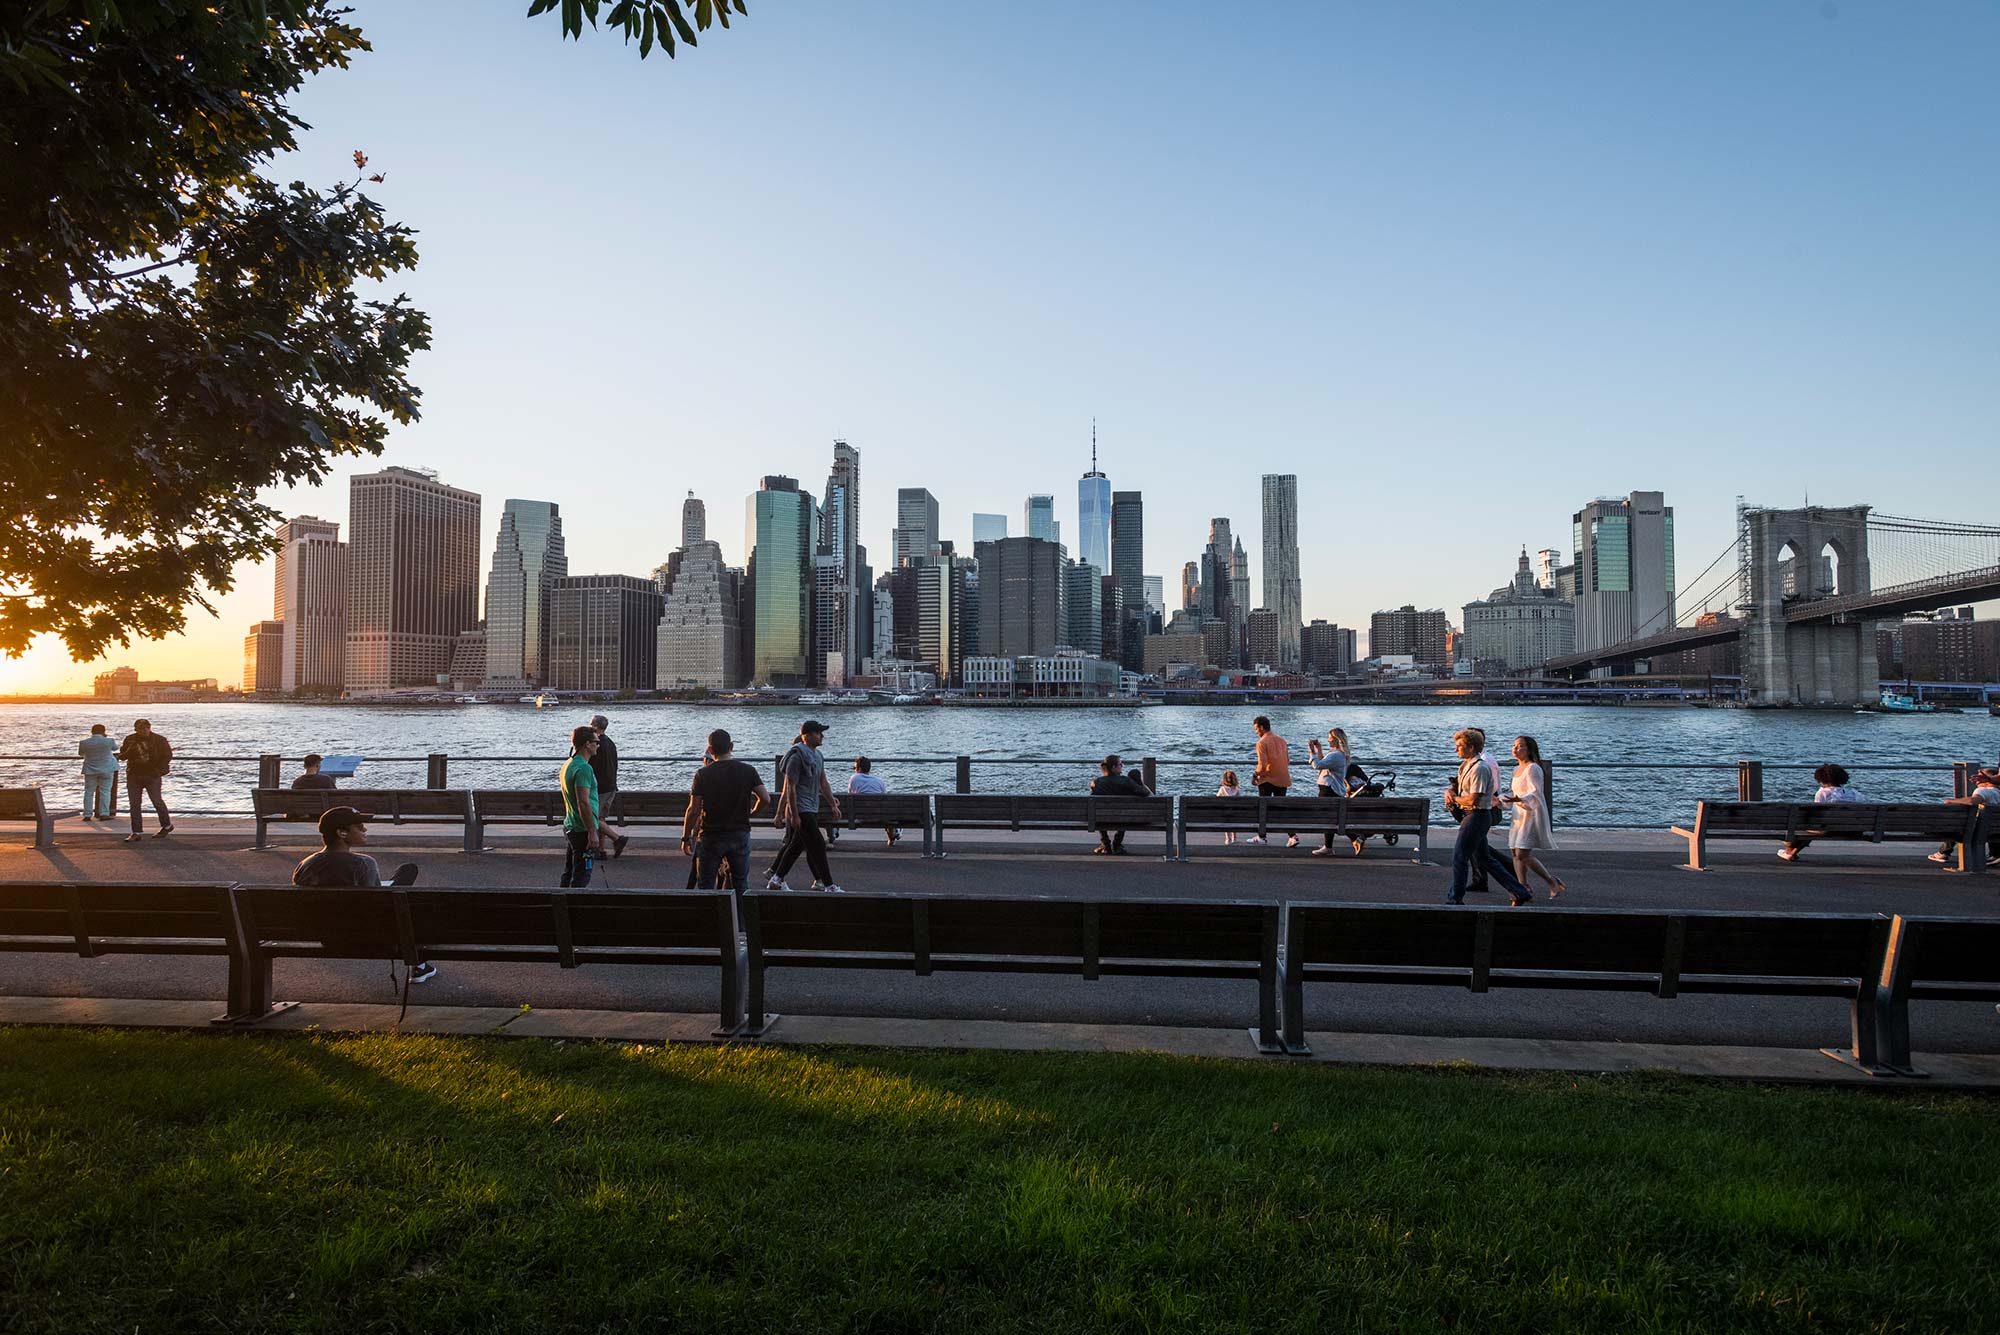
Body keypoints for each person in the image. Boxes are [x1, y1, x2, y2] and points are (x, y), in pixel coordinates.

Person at [292, 806, 432, 982]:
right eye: (359, 827)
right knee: (407, 892)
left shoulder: (305, 865)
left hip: (325, 934)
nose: (365, 829)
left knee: (406, 871)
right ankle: (420, 965)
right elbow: (377, 907)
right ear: (342, 833)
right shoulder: (363, 864)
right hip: (365, 935)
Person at [1444, 728, 1531, 907]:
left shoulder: (1480, 768)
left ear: (1471, 747)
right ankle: (1519, 891)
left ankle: (1455, 899)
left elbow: (1473, 799)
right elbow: (1461, 790)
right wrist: (1450, 791)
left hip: (1477, 816)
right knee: (1485, 859)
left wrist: (1455, 798)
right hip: (1473, 815)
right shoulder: (1466, 765)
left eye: (1459, 746)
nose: (1456, 749)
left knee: (1459, 856)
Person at [680, 729, 769, 897]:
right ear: (731, 747)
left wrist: (686, 838)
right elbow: (765, 798)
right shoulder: (747, 770)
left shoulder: (702, 774)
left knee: (706, 884)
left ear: (710, 750)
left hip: (711, 835)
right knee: (741, 883)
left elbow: (693, 809)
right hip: (739, 833)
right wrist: (753, 812)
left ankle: (710, 914)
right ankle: (739, 914)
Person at [766, 720, 843, 893]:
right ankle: (829, 885)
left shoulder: (818, 756)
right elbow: (790, 788)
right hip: (801, 808)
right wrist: (794, 815)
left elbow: (823, 782)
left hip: (812, 807)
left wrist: (832, 804)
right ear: (807, 736)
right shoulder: (795, 757)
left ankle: (776, 880)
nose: (822, 736)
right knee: (818, 844)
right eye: (818, 733)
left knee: (796, 845)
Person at [1499, 735, 1567, 897]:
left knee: (1522, 853)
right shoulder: (1517, 769)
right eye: (1514, 745)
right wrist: (1501, 800)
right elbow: (1513, 792)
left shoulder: (1533, 768)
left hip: (1530, 813)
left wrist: (1519, 799)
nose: (1515, 748)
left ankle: (1552, 881)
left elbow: (1535, 793)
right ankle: (1523, 886)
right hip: (1519, 813)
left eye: (1520, 746)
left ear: (1529, 750)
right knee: (1515, 852)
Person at [1777, 763, 1864, 862]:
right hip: (1850, 829)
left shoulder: (1823, 793)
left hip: (1827, 829)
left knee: (1807, 827)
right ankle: (1791, 853)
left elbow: (1817, 814)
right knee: (1814, 827)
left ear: (1821, 779)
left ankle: (1789, 850)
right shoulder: (1854, 793)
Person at [559, 725, 604, 888]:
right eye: (596, 742)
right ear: (587, 744)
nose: (598, 745)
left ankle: (561, 900)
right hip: (582, 829)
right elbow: (583, 802)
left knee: (569, 872)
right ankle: (575, 903)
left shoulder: (568, 764)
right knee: (581, 876)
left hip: (571, 825)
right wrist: (592, 832)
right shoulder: (584, 768)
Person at [1929, 766, 2000, 868]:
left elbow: (1973, 801)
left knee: (1960, 826)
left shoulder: (1983, 791)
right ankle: (1995, 855)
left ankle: (1943, 852)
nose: (1976, 782)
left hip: (1980, 831)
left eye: (1978, 778)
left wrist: (1951, 801)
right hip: (1995, 830)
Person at [116, 718, 173, 842]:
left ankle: (166, 825)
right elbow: (124, 755)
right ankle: (136, 832)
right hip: (134, 774)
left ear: (149, 728)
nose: (143, 731)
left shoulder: (159, 740)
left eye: (145, 728)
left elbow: (167, 756)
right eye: (140, 729)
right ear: (135, 729)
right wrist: (127, 751)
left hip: (152, 775)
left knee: (157, 801)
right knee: (134, 804)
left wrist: (158, 771)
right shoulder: (130, 739)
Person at [1248, 715, 1297, 846]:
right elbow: (1287, 761)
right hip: (1283, 778)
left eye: (1256, 729)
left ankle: (1262, 836)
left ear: (1261, 727)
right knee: (1281, 808)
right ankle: (1293, 836)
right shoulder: (1282, 741)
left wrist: (1255, 775)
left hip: (1267, 780)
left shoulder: (1261, 743)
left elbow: (1262, 766)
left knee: (1262, 808)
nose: (1256, 732)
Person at [1089, 754, 1152, 854]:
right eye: (1120, 764)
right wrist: (1140, 782)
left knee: (1099, 811)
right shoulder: (1125, 781)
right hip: (1124, 818)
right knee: (1125, 812)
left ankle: (1105, 845)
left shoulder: (1096, 783)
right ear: (1114, 767)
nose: (1122, 766)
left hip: (1102, 819)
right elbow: (1145, 793)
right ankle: (1117, 845)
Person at [588, 714, 631, 859]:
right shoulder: (611, 743)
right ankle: (600, 850)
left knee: (593, 818)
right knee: (600, 818)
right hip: (611, 785)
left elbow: (590, 765)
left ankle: (617, 839)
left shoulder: (595, 744)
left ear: (595, 727)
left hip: (600, 787)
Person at [1307, 727, 1351, 856]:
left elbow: (1317, 765)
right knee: (1331, 818)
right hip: (1330, 788)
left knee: (1328, 818)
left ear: (1336, 740)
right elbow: (1323, 763)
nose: (1328, 740)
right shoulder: (1337, 754)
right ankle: (1330, 845)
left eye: (1330, 738)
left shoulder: (1336, 755)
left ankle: (1329, 847)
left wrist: (1312, 751)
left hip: (1329, 789)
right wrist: (1319, 749)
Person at [847, 756, 899, 846]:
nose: (854, 770)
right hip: (879, 816)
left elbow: (850, 795)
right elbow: (884, 799)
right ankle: (893, 835)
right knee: (889, 815)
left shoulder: (854, 778)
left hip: (860, 816)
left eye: (854, 768)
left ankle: (830, 837)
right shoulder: (879, 781)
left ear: (859, 769)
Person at [78, 724, 117, 820]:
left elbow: (81, 753)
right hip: (107, 769)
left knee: (89, 792)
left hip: (90, 769)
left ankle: (87, 814)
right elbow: (115, 748)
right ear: (104, 731)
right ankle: (104, 813)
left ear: (92, 731)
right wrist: (105, 737)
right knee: (105, 791)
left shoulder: (84, 742)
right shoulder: (109, 741)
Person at [1216, 768, 1242, 845]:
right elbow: (1240, 801)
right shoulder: (1237, 790)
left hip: (1225, 813)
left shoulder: (1222, 789)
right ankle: (1234, 838)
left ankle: (1228, 838)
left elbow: (1216, 799)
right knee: (1234, 820)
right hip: (1235, 813)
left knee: (1226, 820)